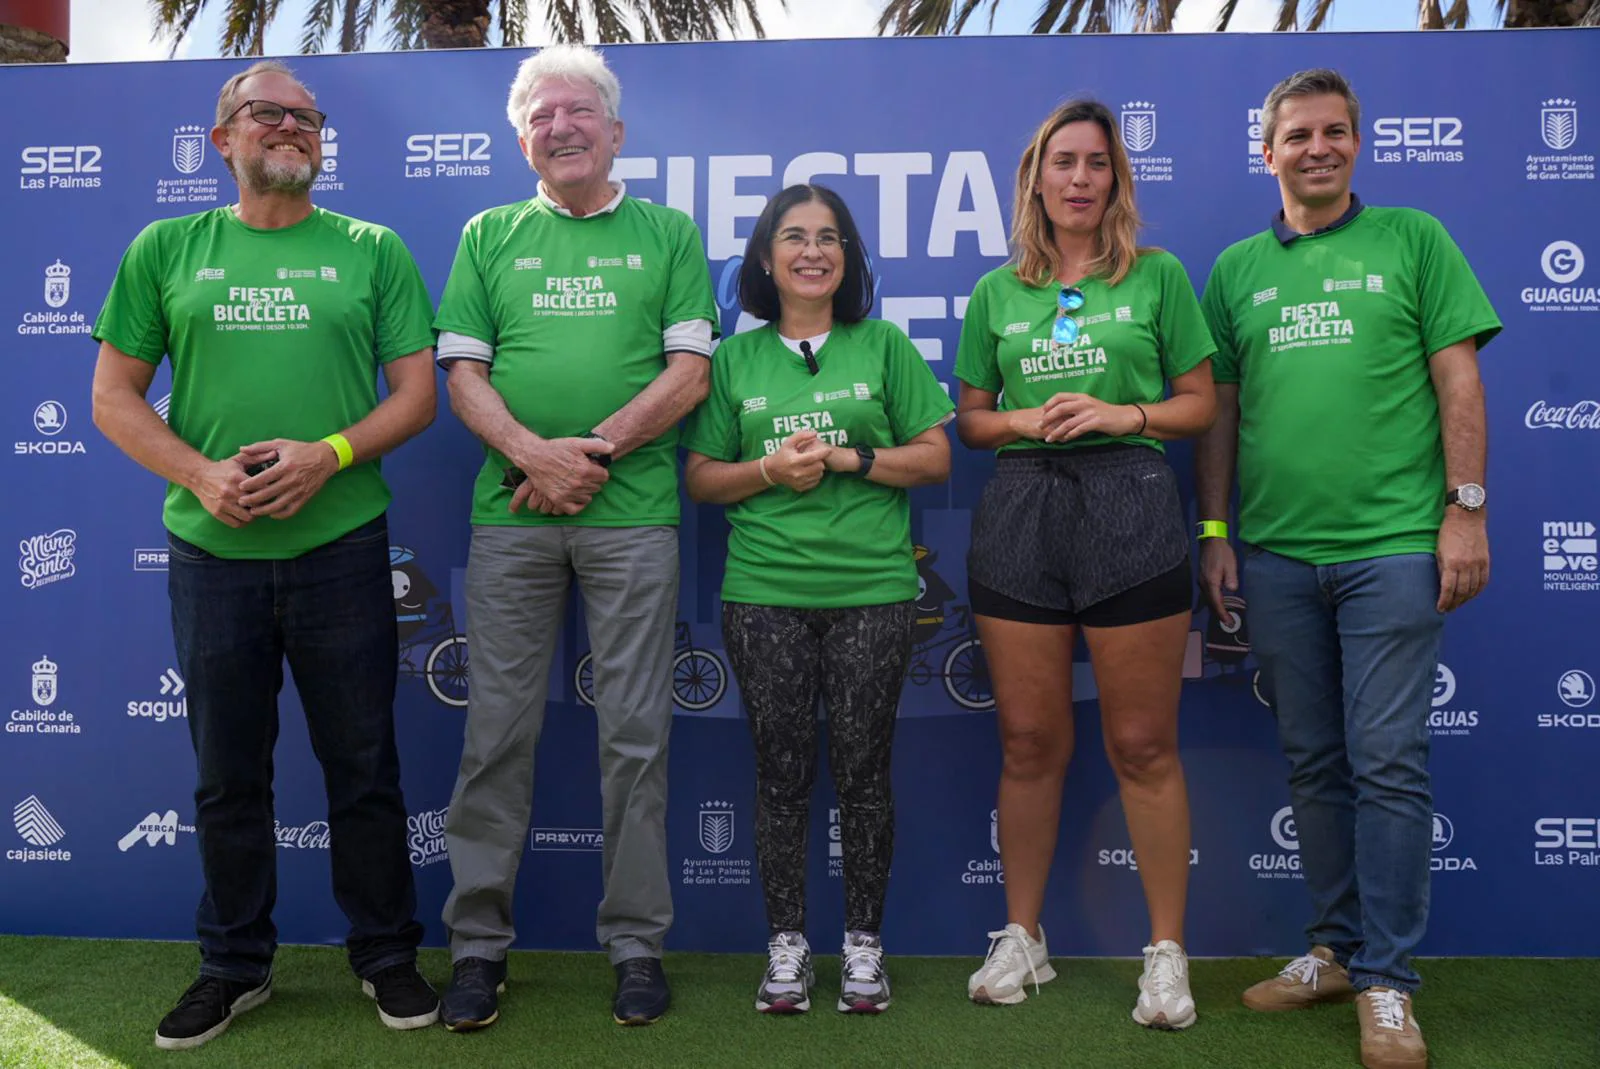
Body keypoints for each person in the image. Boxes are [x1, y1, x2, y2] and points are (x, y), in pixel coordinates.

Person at [90, 60, 440, 1051]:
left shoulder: (372, 250)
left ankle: (385, 954)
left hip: (341, 543)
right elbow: (112, 397)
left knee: (363, 764)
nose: (290, 126)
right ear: (223, 140)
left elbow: (415, 397)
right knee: (226, 772)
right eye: (266, 113)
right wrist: (200, 474)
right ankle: (234, 966)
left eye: (306, 116)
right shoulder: (166, 247)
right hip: (212, 551)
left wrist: (327, 455)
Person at [1195, 68, 1499, 1069]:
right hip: (1278, 554)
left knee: (1388, 764)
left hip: (1393, 551)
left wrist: (1463, 513)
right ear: (1267, 149)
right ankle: (1332, 948)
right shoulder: (1235, 269)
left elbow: (1458, 375)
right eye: (1298, 134)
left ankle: (1389, 982)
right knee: (1316, 766)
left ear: (1355, 146)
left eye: (1334, 133)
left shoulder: (1413, 239)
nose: (1317, 147)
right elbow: (1223, 412)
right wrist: (1214, 528)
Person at [433, 43, 717, 1030]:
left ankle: (636, 946)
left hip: (631, 517)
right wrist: (531, 456)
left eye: (578, 112)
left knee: (634, 734)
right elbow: (463, 376)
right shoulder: (487, 234)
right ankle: (477, 948)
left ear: (614, 131)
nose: (561, 128)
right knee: (496, 732)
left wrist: (586, 453)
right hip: (509, 515)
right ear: (523, 140)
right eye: (541, 116)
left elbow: (689, 376)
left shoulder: (667, 233)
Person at [954, 99, 1217, 1029]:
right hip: (1022, 507)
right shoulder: (999, 290)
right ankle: (1023, 938)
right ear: (1036, 178)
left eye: (1095, 163)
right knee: (1029, 741)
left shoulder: (1159, 277)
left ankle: (1165, 954)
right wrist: (1026, 420)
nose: (1078, 178)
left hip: (1133, 505)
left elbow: (1200, 404)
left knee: (1142, 744)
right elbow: (973, 419)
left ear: (1117, 178)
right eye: (1062, 162)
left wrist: (1121, 413)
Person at [682, 184, 954, 1015]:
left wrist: (853, 459)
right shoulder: (734, 358)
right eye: (793, 237)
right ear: (765, 259)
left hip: (873, 591)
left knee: (866, 772)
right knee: (783, 773)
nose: (812, 251)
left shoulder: (884, 345)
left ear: (848, 258)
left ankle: (865, 947)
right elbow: (699, 477)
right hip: (764, 595)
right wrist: (770, 469)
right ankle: (788, 946)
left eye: (829, 238)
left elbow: (936, 457)